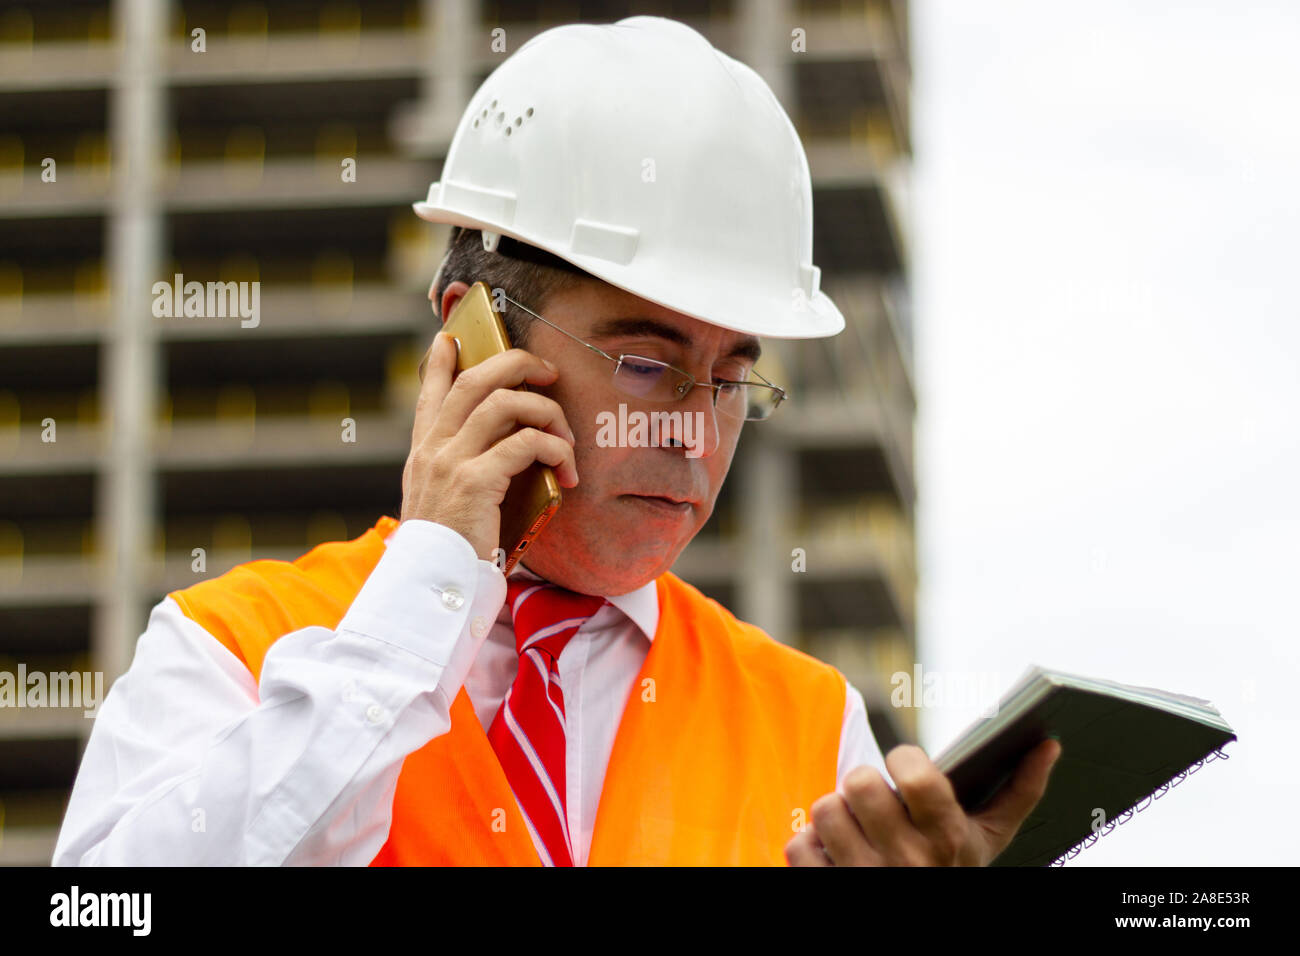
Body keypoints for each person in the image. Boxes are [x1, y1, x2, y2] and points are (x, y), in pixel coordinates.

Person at [52, 15, 1059, 867]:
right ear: (472, 339)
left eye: (727, 375)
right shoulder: (227, 643)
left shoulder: (805, 721)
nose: (690, 428)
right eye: (644, 360)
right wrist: (426, 593)